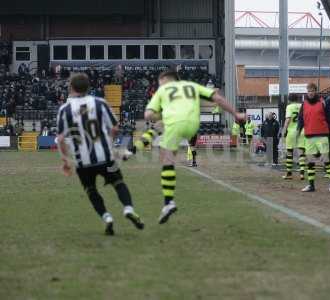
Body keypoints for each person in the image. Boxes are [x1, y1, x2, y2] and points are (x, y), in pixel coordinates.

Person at [135, 70, 245, 224]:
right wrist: (236, 114)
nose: (160, 85)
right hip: (193, 125)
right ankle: (191, 161)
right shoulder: (192, 86)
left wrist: (160, 115)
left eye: (161, 82)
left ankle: (168, 202)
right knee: (190, 146)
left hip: (174, 124)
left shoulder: (163, 90)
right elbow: (217, 97)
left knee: (167, 158)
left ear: (166, 80)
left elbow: (147, 115)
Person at [56, 73, 144, 236]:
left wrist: (66, 160)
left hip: (83, 161)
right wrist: (110, 143)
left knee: (91, 190)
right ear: (89, 86)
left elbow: (60, 139)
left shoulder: (65, 109)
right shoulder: (99, 103)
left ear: (71, 87)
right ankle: (128, 208)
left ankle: (107, 217)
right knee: (118, 182)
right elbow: (115, 128)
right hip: (105, 156)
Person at [298, 83, 330, 193]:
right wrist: (298, 131)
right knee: (310, 161)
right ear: (307, 92)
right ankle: (311, 185)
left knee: (326, 160)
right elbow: (301, 119)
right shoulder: (303, 104)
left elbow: (329, 118)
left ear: (315, 91)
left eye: (312, 90)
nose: (310, 92)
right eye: (308, 90)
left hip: (322, 135)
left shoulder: (322, 103)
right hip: (309, 136)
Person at [282, 94, 306, 180]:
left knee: (289, 152)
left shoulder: (289, 107)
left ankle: (289, 174)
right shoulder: (302, 106)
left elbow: (288, 119)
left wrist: (284, 130)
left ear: (289, 99)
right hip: (302, 131)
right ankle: (302, 173)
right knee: (301, 153)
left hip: (292, 132)